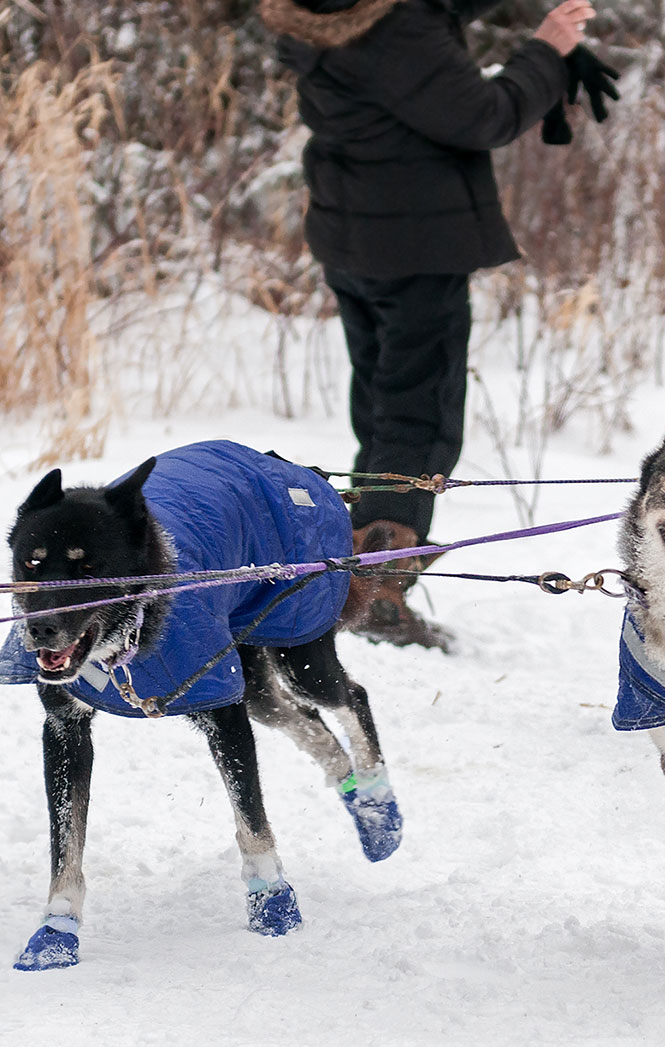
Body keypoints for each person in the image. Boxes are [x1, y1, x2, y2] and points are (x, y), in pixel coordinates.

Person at [261, 0, 619, 648]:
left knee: (382, 408)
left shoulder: (336, 11)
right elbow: (483, 115)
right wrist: (546, 48)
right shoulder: (397, 27)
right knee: (416, 421)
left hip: (357, 235)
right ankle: (376, 600)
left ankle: (353, 580)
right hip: (413, 245)